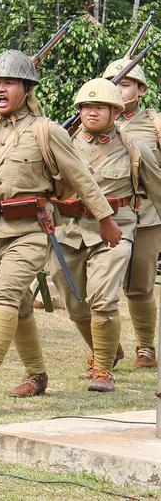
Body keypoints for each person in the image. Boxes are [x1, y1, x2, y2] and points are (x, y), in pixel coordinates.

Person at [0, 50, 119, 401]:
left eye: (9, 83)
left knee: (4, 295)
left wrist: (106, 220)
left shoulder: (46, 131)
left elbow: (82, 180)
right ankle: (37, 376)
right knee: (16, 305)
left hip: (31, 229)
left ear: (27, 88)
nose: (0, 89)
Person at [50, 79, 161, 391]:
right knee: (74, 304)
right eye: (86, 106)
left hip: (114, 230)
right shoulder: (65, 142)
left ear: (115, 112)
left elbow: (157, 188)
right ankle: (108, 350)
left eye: (99, 107)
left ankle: (102, 370)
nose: (91, 112)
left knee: (103, 297)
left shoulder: (133, 148)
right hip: (69, 230)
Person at [102, 57, 161, 368]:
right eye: (113, 84)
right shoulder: (96, 121)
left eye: (124, 84)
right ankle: (104, 350)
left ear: (140, 89)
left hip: (148, 215)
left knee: (139, 285)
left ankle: (145, 347)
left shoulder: (155, 124)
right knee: (101, 287)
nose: (118, 90)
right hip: (108, 215)